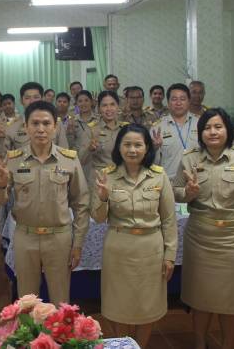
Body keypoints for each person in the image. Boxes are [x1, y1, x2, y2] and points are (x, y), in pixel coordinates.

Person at [173, 108, 234, 349]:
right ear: (200, 132)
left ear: (228, 130)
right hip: (200, 237)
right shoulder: (190, 158)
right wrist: (188, 193)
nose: (212, 132)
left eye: (218, 127)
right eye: (207, 128)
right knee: (200, 297)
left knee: (231, 300)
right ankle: (200, 343)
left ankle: (227, 344)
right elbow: (175, 191)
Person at [0, 101, 89, 304]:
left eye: (46, 123)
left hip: (59, 238)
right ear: (26, 127)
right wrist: (1, 184)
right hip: (25, 236)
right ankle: (29, 328)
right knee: (27, 301)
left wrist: (78, 243)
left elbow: (81, 203)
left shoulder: (69, 159)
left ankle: (59, 328)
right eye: (35, 123)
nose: (41, 129)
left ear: (55, 127)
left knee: (61, 301)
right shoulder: (13, 160)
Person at [92, 124, 177, 348]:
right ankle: (123, 345)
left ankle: (140, 345)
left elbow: (169, 219)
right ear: (119, 147)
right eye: (127, 144)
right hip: (119, 249)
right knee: (119, 304)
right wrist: (102, 197)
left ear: (147, 147)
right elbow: (98, 218)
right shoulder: (107, 176)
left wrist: (170, 255)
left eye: (138, 145)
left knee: (147, 305)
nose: (132, 150)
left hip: (151, 250)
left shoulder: (158, 176)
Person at [0, 82, 68, 158]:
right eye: (27, 98)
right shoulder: (12, 126)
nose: (32, 101)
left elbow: (64, 153)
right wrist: (0, 139)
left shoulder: (56, 124)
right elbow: (3, 158)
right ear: (21, 101)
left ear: (42, 99)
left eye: (36, 97)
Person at [150, 83, 199, 179]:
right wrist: (154, 148)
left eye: (182, 99)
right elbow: (150, 163)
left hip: (197, 180)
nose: (178, 103)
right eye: (174, 99)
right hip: (169, 181)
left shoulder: (201, 124)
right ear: (168, 103)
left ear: (189, 101)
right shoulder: (157, 128)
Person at [79, 91, 128, 185]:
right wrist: (89, 149)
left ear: (118, 107)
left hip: (122, 180)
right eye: (104, 105)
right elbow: (81, 159)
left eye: (112, 104)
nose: (109, 109)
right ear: (99, 108)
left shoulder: (126, 129)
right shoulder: (91, 129)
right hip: (100, 181)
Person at [71, 90, 99, 180]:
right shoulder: (72, 121)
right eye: (80, 101)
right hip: (80, 161)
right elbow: (69, 144)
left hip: (97, 161)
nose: (83, 103)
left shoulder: (99, 119)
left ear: (91, 102)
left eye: (86, 100)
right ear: (76, 104)